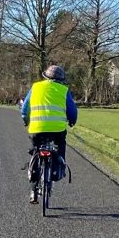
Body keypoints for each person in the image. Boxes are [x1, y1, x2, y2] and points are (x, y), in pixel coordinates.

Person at [20, 65, 78, 204]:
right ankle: (60, 168)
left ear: (45, 76)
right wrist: (72, 122)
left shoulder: (36, 87)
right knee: (60, 147)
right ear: (61, 80)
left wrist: (26, 120)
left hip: (37, 129)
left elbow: (25, 108)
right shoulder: (64, 90)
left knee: (36, 151)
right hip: (57, 130)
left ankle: (33, 190)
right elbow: (72, 111)